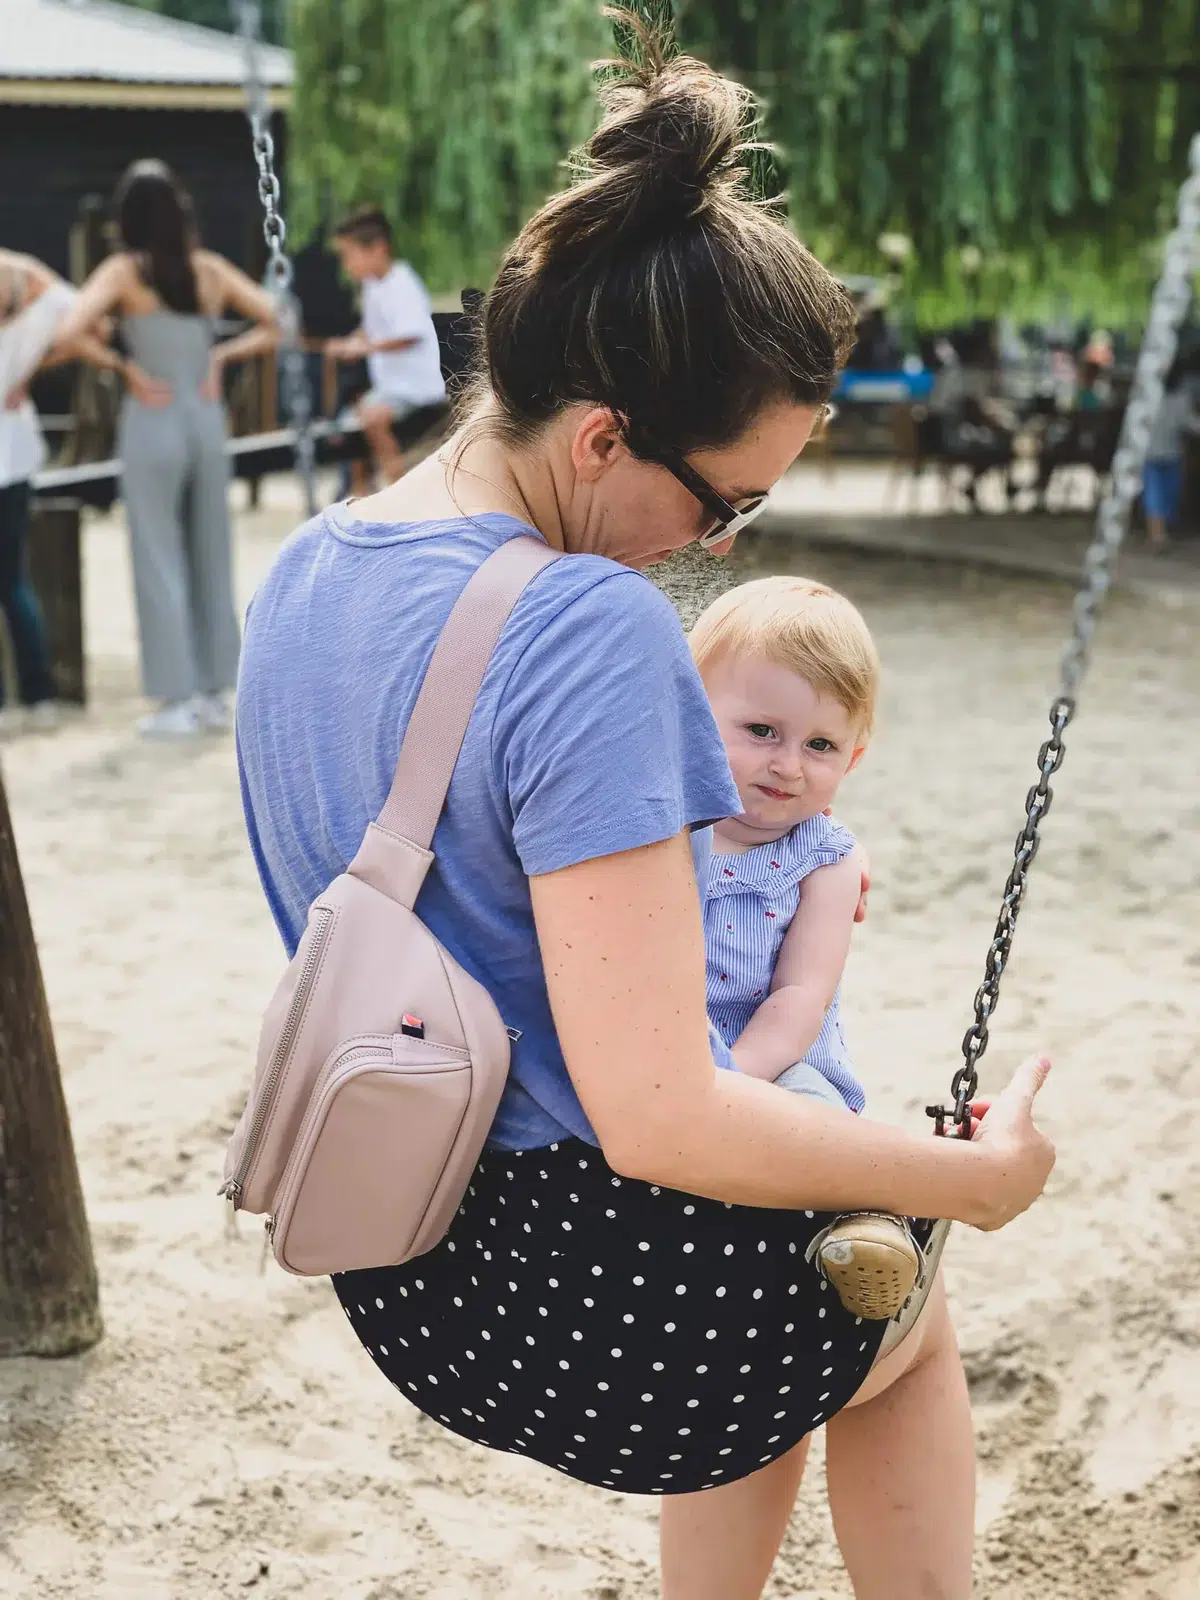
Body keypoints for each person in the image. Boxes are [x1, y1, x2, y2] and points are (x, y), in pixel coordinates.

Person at [236, 20, 1055, 1598]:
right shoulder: (588, 626)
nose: (722, 549)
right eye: (721, 500)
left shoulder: (303, 575)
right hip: (601, 1302)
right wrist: (967, 1177)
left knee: (807, 1267)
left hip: (399, 1262)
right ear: (601, 436)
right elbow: (662, 1117)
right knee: (906, 1295)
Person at [692, 576, 922, 1319]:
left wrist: (731, 1084)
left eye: (820, 745)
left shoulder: (826, 859)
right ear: (691, 715)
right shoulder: (665, 818)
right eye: (762, 732)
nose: (789, 764)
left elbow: (799, 996)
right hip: (663, 1039)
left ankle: (867, 1229)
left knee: (821, 1124)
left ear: (851, 761)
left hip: (777, 1056)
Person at [55, 159, 280, 739]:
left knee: (157, 556)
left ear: (127, 218)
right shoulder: (209, 270)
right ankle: (213, 693)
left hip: (152, 418)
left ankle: (176, 699)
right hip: (205, 420)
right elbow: (279, 320)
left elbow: (70, 331)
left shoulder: (123, 273)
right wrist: (223, 358)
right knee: (211, 549)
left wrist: (122, 366)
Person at [0, 250, 117, 737]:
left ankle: (34, 691)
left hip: (11, 452)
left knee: (11, 581)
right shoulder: (41, 303)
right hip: (14, 448)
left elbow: (98, 330)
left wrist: (33, 367)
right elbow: (96, 329)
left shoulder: (43, 305)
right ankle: (31, 693)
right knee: (11, 581)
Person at [325, 208, 446, 486]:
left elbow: (410, 334)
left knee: (373, 417)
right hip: (390, 388)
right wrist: (350, 342)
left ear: (377, 249)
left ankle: (396, 481)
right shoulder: (372, 286)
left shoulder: (401, 283)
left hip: (415, 388)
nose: (346, 265)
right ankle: (360, 489)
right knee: (348, 423)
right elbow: (372, 329)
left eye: (348, 255)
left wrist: (365, 348)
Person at [1142, 360, 1200, 550]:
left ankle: (1157, 533)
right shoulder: (1180, 400)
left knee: (1155, 493)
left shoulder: (1148, 397)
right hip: (1170, 452)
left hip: (1151, 451)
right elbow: (1190, 423)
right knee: (1167, 493)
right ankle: (1159, 533)